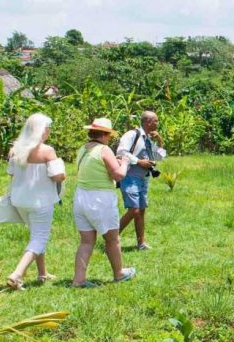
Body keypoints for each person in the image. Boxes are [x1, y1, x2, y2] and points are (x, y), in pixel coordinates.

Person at [72, 118, 136, 287]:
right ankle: (119, 273)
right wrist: (125, 163)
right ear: (105, 134)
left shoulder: (83, 149)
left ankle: (78, 280)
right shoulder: (104, 149)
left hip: (81, 197)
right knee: (112, 239)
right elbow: (118, 175)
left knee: (86, 241)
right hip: (99, 199)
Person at [5, 113, 66, 290]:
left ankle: (42, 273)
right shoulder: (47, 150)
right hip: (41, 201)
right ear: (41, 130)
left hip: (20, 200)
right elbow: (58, 177)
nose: (49, 131)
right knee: (39, 238)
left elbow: (11, 173)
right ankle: (16, 275)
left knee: (36, 236)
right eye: (48, 128)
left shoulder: (16, 149)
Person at [116, 111, 167, 250]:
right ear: (148, 121)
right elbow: (121, 152)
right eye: (156, 121)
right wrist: (139, 161)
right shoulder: (132, 135)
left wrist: (160, 141)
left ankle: (141, 243)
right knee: (134, 209)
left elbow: (159, 157)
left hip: (144, 178)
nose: (158, 123)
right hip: (130, 176)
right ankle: (112, 237)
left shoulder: (149, 138)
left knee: (141, 210)